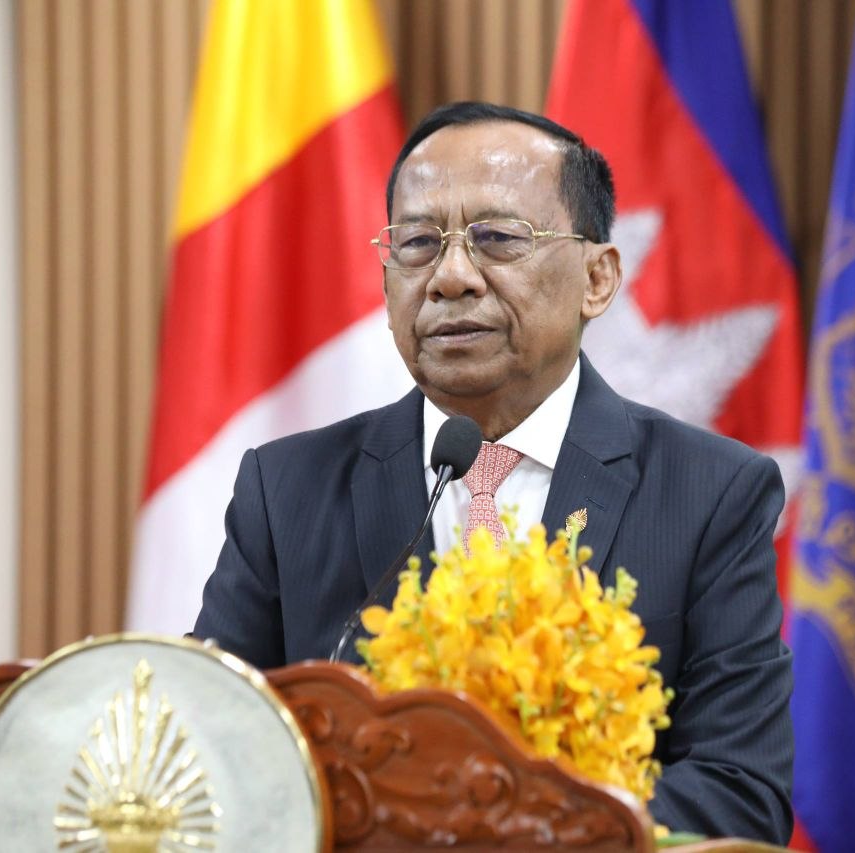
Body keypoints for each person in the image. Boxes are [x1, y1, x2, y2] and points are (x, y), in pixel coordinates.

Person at [192, 101, 793, 842]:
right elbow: (211, 750)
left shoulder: (711, 493)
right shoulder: (286, 489)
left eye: (499, 239)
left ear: (598, 277)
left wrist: (512, 831)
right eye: (418, 243)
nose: (450, 278)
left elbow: (739, 792)